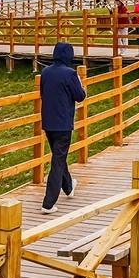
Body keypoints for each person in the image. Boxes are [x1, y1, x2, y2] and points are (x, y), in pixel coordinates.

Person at [40, 43, 86, 213]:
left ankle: (68, 187)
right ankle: (48, 203)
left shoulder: (45, 72)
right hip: (63, 124)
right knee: (58, 161)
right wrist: (80, 84)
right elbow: (80, 96)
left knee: (59, 157)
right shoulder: (70, 74)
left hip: (48, 122)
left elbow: (42, 93)